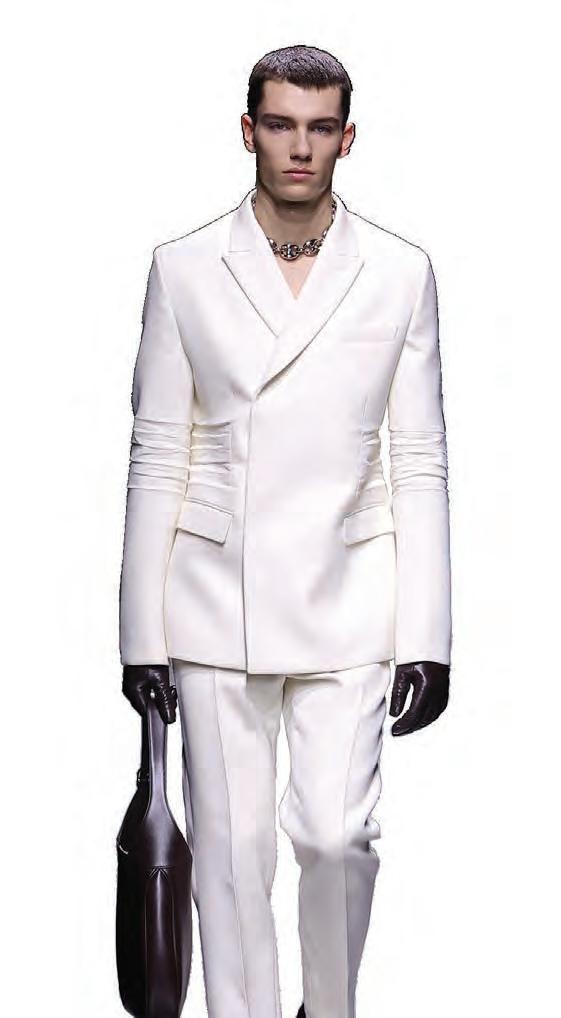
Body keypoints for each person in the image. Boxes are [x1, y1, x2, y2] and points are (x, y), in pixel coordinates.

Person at [119, 44, 452, 1018]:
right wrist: (141, 637)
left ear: (347, 138)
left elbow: (420, 458)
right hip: (214, 598)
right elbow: (157, 453)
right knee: (231, 856)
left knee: (336, 838)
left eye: (318, 128)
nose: (298, 147)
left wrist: (428, 636)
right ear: (248, 130)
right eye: (279, 125)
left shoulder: (399, 272)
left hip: (352, 595)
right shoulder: (183, 269)